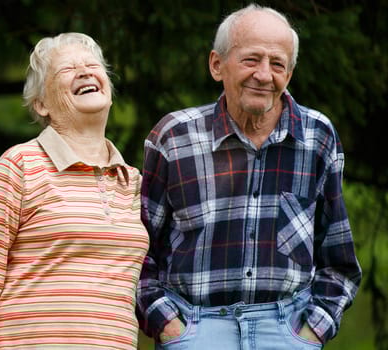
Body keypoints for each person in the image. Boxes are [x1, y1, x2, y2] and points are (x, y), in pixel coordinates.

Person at [136, 4, 362, 349]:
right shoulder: (174, 137)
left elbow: (340, 260)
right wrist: (169, 327)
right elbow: (139, 251)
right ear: (217, 65)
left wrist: (310, 335)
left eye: (277, 64)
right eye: (251, 60)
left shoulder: (318, 136)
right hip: (195, 329)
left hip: (288, 330)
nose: (264, 74)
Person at [0, 32, 149, 349]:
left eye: (91, 65)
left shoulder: (134, 182)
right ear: (41, 104)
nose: (84, 71)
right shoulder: (20, 165)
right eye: (67, 69)